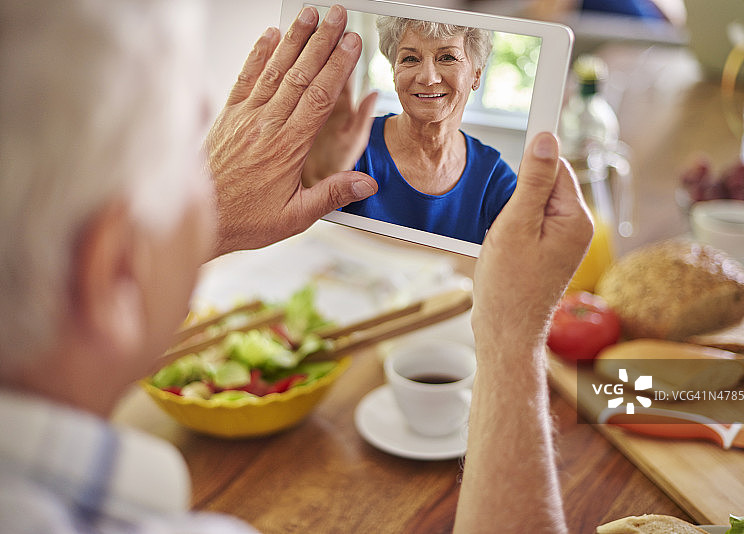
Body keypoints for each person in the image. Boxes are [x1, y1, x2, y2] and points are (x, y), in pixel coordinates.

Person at [0, 2, 592, 534]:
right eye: (186, 153)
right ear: (114, 265)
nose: (217, 162)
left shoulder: (492, 175)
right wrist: (515, 337)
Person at [303, 16, 517, 244]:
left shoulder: (495, 176)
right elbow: (311, 235)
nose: (427, 77)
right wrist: (315, 178)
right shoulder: (351, 143)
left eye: (447, 57)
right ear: (394, 73)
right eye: (410, 59)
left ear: (476, 74)